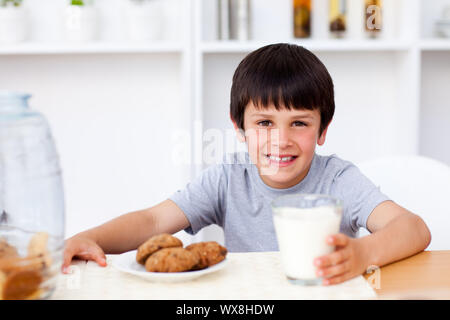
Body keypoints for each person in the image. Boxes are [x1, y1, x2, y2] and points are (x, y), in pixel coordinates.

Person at [62, 43, 431, 285]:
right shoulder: (228, 178)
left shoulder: (337, 179)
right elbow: (154, 221)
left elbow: (413, 228)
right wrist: (91, 238)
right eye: (264, 123)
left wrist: (363, 253)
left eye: (299, 123)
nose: (280, 140)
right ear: (239, 127)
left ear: (322, 130)